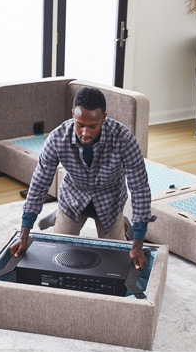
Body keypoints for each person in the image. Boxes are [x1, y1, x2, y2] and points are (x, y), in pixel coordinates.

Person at [9, 87, 153, 270]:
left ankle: (123, 225)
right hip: (73, 200)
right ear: (72, 116)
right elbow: (39, 182)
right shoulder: (57, 138)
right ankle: (60, 217)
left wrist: (139, 241)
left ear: (104, 118)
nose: (85, 132)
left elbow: (139, 187)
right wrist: (24, 232)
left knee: (117, 261)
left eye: (93, 126)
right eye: (79, 124)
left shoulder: (124, 139)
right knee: (58, 254)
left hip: (110, 202)